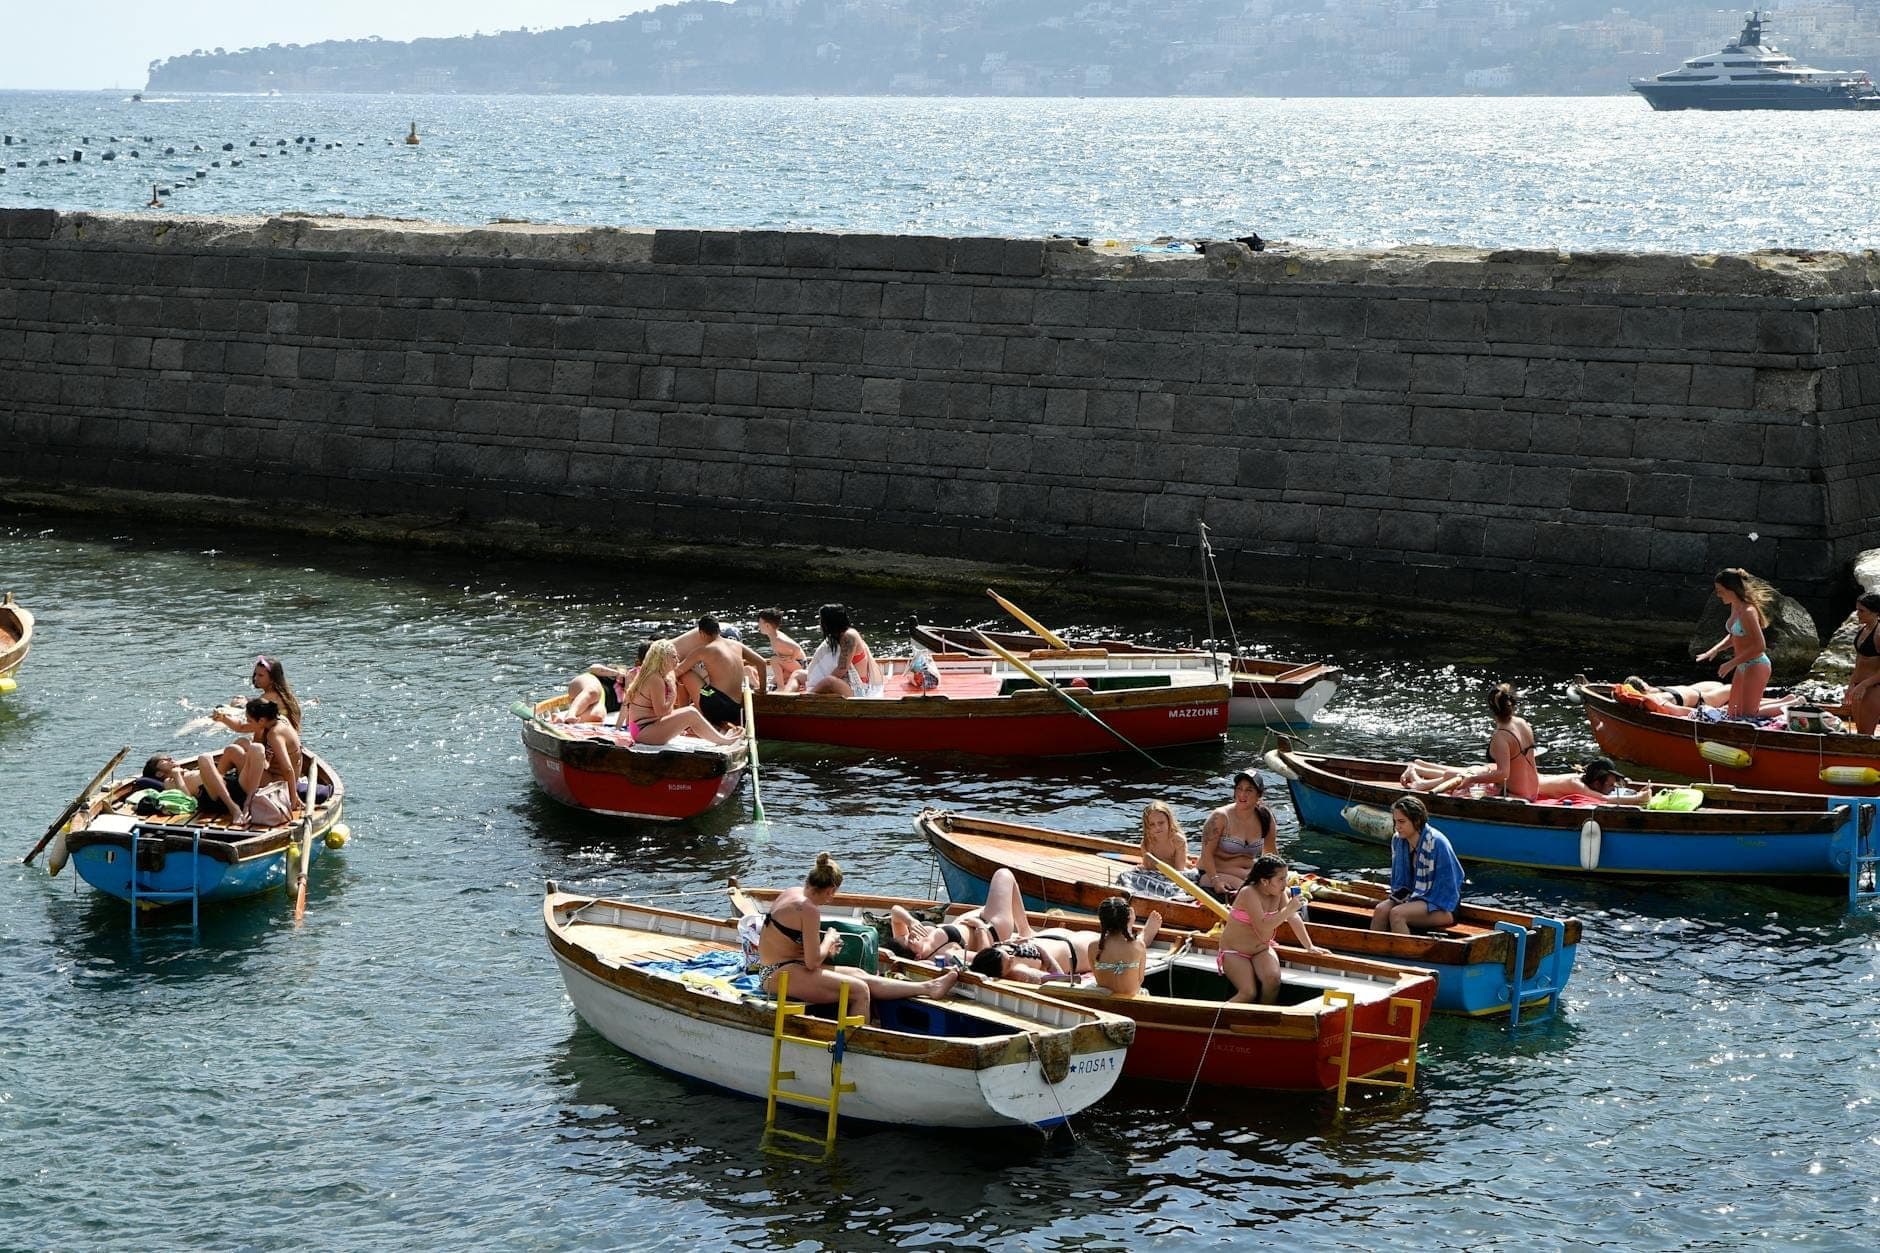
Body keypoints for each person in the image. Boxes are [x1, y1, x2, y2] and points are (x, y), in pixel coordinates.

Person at [754, 853, 957, 1021]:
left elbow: (796, 948)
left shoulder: (792, 892)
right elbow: (812, 962)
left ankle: (929, 987)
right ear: (831, 890)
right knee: (859, 990)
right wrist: (830, 939)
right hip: (777, 974)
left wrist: (827, 950)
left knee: (859, 975)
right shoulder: (808, 909)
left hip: (787, 966)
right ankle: (859, 1044)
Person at [1400, 683, 1539, 801]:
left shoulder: (1501, 736)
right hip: (1533, 791)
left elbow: (1503, 773)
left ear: (1491, 709)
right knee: (1464, 774)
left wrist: (1473, 780)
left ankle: (1421, 782)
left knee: (1461, 789)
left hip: (1517, 797)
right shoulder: (1523, 723)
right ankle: (1421, 779)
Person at [964, 866, 1101, 983]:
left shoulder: (988, 958)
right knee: (1113, 942)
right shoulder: (1019, 972)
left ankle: (1024, 928)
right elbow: (1062, 979)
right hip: (1077, 950)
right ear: (1002, 974)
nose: (1011, 957)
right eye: (1009, 963)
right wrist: (1043, 953)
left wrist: (980, 926)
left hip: (1041, 936)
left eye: (1007, 952)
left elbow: (981, 951)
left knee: (1004, 874)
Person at [1218, 855, 1320, 1004]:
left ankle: (1261, 1019)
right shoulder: (1248, 892)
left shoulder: (1280, 893)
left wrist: (1309, 946)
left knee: (1273, 980)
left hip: (1261, 949)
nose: (1285, 884)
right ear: (1265, 881)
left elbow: (1293, 918)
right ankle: (1217, 1020)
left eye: (1286, 878)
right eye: (1280, 879)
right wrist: (1288, 909)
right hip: (1235, 952)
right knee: (1248, 992)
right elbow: (1263, 925)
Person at [616, 639, 743, 747]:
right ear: (663, 658)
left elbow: (665, 712)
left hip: (643, 728)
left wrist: (677, 723)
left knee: (691, 711)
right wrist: (672, 692)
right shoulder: (655, 679)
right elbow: (662, 712)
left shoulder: (658, 675)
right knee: (690, 713)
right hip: (643, 731)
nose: (678, 660)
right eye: (674, 657)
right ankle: (724, 741)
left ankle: (720, 738)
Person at [1370, 796, 1465, 936]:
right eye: (1395, 822)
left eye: (1402, 822)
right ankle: (1373, 952)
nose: (1397, 827)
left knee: (1397, 914)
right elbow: (1401, 885)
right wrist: (1410, 900)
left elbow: (1449, 888)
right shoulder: (1399, 841)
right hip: (1413, 897)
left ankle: (1405, 955)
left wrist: (1413, 902)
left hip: (1443, 905)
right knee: (1381, 910)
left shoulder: (1437, 843)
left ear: (1417, 820)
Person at [1696, 567, 1774, 719]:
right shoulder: (1735, 606)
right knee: (1733, 714)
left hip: (1756, 664)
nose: (1718, 595)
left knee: (1748, 715)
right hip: (1742, 665)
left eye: (1720, 591)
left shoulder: (1748, 612)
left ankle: (1791, 703)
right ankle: (1785, 701)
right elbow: (1734, 636)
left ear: (1731, 589)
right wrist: (1714, 650)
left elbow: (1760, 646)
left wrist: (1730, 663)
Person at [672, 616, 768, 727]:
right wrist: (762, 689)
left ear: (701, 634)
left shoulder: (703, 650)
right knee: (708, 690)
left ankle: (684, 719)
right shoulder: (738, 645)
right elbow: (762, 663)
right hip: (735, 709)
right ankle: (720, 724)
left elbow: (678, 671)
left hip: (716, 706)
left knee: (686, 673)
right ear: (718, 630)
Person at [1197, 771, 1276, 898]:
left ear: (1259, 795)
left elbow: (1271, 853)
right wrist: (1215, 881)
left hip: (1248, 872)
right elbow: (1206, 854)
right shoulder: (1220, 817)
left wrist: (1278, 877)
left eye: (1249, 790)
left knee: (1281, 892)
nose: (1242, 794)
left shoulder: (1265, 817)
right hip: (1215, 872)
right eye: (1239, 789)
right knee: (1251, 892)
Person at [1619, 676, 1798, 719]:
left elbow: (1679, 711)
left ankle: (1790, 703)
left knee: (1747, 710)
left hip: (1708, 698)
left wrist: (1702, 716)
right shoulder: (1658, 691)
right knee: (1750, 704)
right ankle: (1786, 701)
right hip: (1710, 689)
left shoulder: (1656, 698)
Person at [804, 604, 883, 698]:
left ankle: (807, 697)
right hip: (846, 682)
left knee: (829, 681)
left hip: (858, 689)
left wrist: (820, 681)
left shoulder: (848, 636)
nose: (819, 623)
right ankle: (785, 695)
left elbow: (842, 669)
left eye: (821, 620)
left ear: (830, 622)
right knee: (797, 674)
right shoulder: (836, 637)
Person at [1090, 896, 1162, 998]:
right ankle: (1134, 929)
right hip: (1131, 999)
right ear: (1128, 917)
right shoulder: (1138, 946)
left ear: (1102, 920)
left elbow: (1097, 976)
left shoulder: (1093, 947)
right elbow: (1140, 979)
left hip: (1106, 1001)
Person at [560, 645, 650, 725]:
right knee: (594, 691)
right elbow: (594, 668)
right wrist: (617, 673)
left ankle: (562, 721)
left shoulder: (639, 692)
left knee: (598, 715)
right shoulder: (624, 673)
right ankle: (571, 714)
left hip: (599, 701)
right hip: (588, 683)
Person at [212, 655, 303, 733]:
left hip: (273, 746)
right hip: (291, 742)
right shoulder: (289, 696)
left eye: (260, 675)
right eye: (255, 674)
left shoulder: (266, 699)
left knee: (239, 743)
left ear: (272, 679)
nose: (255, 678)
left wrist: (223, 718)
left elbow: (242, 727)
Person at [1844, 593, 1880, 735]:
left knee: (1866, 735)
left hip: (1873, 688)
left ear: (1875, 612)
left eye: (1861, 611)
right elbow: (1859, 662)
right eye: (1857, 610)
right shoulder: (1863, 629)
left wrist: (1864, 685)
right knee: (1860, 733)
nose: (1857, 614)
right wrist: (1851, 685)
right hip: (1858, 687)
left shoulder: (1878, 635)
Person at [756, 608, 808, 692]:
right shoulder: (773, 636)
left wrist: (792, 658)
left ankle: (781, 687)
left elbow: (797, 648)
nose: (758, 625)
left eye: (759, 623)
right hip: (790, 664)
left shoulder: (778, 638)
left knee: (774, 660)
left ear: (767, 626)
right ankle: (778, 685)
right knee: (772, 681)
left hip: (799, 664)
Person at [1137, 800, 1190, 875]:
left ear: (1169, 821)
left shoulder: (1178, 841)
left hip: (1177, 874)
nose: (1157, 827)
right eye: (1152, 824)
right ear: (1147, 826)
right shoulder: (1147, 842)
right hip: (1157, 874)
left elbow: (1179, 870)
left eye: (1161, 823)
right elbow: (1148, 868)